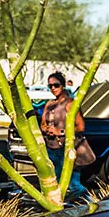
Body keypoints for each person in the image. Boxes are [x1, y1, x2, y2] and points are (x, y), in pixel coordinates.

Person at [39, 70, 87, 198]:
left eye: (56, 85)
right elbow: (43, 123)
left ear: (63, 85)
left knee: (74, 184)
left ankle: (88, 203)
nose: (53, 88)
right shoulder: (49, 104)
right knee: (54, 183)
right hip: (51, 148)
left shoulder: (70, 103)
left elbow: (81, 126)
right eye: (50, 86)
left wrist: (60, 131)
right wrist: (46, 129)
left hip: (66, 148)